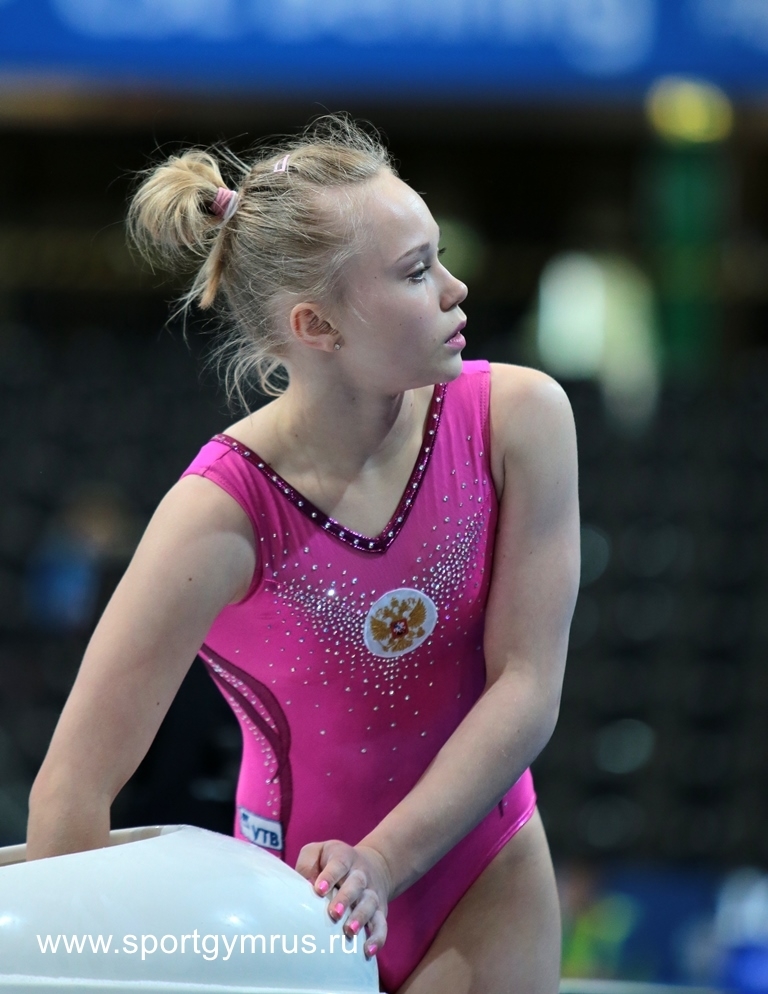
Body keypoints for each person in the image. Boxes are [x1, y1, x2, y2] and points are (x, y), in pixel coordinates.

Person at [26, 115, 580, 994]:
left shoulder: (518, 420)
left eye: (438, 256)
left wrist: (384, 860)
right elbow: (71, 792)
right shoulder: (219, 513)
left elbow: (527, 684)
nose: (455, 287)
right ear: (317, 324)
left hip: (484, 869)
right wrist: (78, 969)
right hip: (290, 908)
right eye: (416, 271)